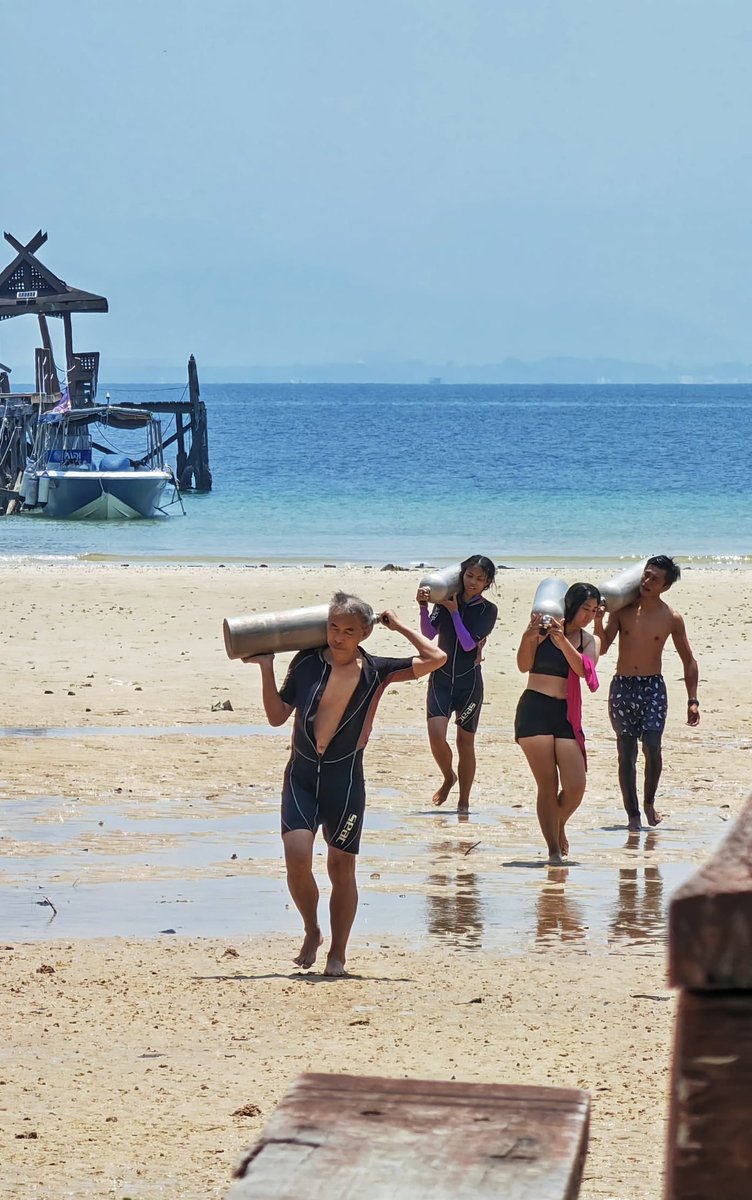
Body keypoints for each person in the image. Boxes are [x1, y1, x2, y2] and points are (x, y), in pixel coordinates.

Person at [244, 592, 446, 977]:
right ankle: (311, 929)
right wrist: (267, 668)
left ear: (364, 634)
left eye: (349, 630)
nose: (338, 636)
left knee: (341, 866)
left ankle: (338, 951)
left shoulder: (377, 670)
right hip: (301, 775)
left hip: (345, 779)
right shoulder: (306, 662)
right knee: (297, 855)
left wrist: (399, 625)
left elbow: (436, 659)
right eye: (333, 627)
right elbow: (275, 716)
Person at [594, 555, 699, 831]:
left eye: (654, 578)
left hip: (653, 688)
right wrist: (597, 621)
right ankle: (632, 815)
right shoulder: (623, 610)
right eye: (646, 575)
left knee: (652, 747)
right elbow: (602, 647)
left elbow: (688, 660)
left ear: (665, 586)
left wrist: (693, 700)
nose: (646, 581)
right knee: (625, 753)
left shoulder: (671, 617)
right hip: (622, 686)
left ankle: (649, 802)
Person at [515, 582, 601, 865]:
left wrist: (563, 639)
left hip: (565, 713)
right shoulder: (541, 630)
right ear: (571, 605)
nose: (588, 615)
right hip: (535, 709)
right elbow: (523, 665)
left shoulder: (589, 641)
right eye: (584, 609)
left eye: (593, 610)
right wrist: (530, 636)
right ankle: (553, 851)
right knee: (548, 786)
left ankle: (557, 824)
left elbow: (582, 670)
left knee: (576, 786)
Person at [416, 555, 498, 813]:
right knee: (436, 736)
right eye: (469, 576)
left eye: (480, 579)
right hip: (440, 679)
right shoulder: (446, 599)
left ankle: (464, 801)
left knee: (465, 742)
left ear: (487, 583)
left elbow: (467, 644)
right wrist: (423, 607)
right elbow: (429, 634)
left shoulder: (488, 610)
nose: (473, 582)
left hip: (469, 683)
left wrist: (454, 614)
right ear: (462, 575)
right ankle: (448, 776)